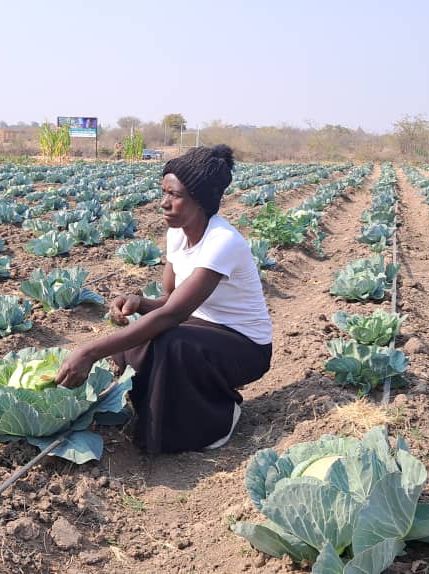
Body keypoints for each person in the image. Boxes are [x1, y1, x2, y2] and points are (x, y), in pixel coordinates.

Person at [55, 145, 273, 453]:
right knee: (139, 340)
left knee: (170, 343)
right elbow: (169, 299)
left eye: (175, 195)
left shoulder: (223, 242)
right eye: (163, 192)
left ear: (201, 199)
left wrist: (89, 352)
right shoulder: (178, 233)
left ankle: (219, 417)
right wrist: (138, 302)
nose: (164, 203)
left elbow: (172, 314)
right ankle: (155, 412)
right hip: (202, 327)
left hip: (245, 345)